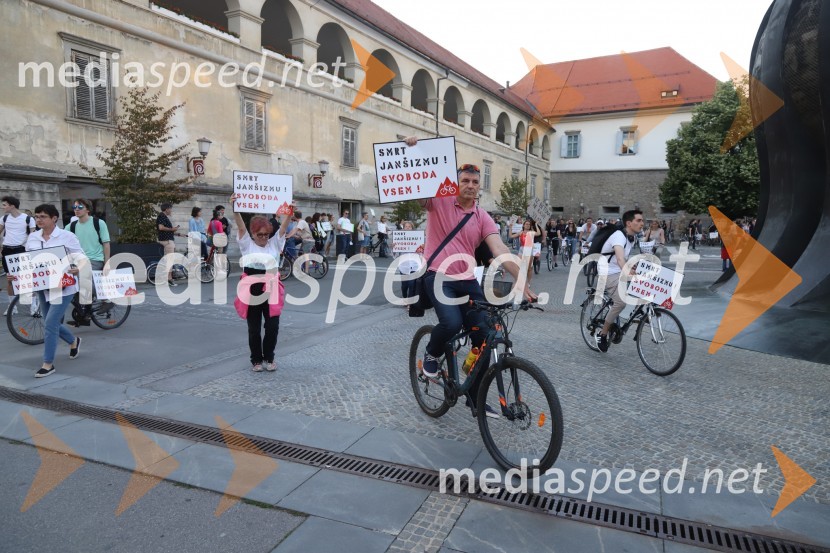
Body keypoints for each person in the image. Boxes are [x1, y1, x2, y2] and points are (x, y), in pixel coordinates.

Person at [405, 138, 536, 418]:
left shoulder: (482, 217)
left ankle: (471, 388)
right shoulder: (438, 201)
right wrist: (413, 151)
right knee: (451, 323)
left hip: (467, 280)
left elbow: (499, 249)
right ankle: (430, 354)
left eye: (475, 182)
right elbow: (416, 191)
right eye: (465, 180)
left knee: (487, 335)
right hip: (437, 274)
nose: (471, 185)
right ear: (456, 182)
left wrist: (522, 282)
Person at [230, 194, 289, 372]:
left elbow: (284, 228)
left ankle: (269, 357)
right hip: (252, 288)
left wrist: (289, 210)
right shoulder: (247, 244)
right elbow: (240, 227)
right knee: (254, 328)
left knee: (272, 326)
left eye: (266, 234)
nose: (263, 237)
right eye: (259, 234)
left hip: (270, 287)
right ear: (253, 234)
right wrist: (235, 208)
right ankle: (256, 360)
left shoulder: (274, 243)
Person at [26, 204, 86, 378]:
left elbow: (81, 257)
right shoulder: (33, 237)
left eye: (43, 216)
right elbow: (27, 260)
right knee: (49, 321)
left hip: (63, 286)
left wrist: (78, 267)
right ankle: (73, 341)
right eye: (37, 216)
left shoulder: (67, 236)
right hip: (42, 286)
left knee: (50, 323)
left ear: (54, 218)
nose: (39, 220)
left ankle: (48, 363)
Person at [595, 209, 645, 353]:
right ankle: (602, 334)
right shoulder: (618, 236)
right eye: (639, 220)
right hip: (607, 272)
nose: (642, 223)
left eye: (642, 220)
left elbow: (624, 258)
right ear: (629, 223)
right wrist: (628, 271)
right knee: (621, 302)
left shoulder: (631, 237)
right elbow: (619, 259)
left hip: (617, 270)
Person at [67, 198, 111, 324]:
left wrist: (106, 263)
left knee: (84, 280)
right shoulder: (71, 226)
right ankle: (84, 314)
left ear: (87, 209)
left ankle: (107, 300)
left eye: (80, 207)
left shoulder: (98, 223)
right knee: (71, 284)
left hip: (95, 259)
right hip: (77, 260)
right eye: (74, 207)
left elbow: (106, 244)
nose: (76, 210)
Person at [1, 195, 37, 312]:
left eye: (5, 205)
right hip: (7, 250)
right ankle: (12, 307)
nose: (3, 207)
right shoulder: (4, 219)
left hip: (21, 250)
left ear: (12, 206)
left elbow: (33, 235)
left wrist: (28, 248)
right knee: (10, 278)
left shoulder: (28, 219)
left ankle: (33, 305)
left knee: (26, 278)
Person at [156, 203, 180, 286]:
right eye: (170, 208)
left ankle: (168, 277)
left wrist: (175, 232)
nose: (171, 210)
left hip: (168, 240)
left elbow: (166, 229)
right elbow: (161, 227)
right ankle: (169, 279)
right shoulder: (162, 216)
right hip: (167, 241)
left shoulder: (163, 216)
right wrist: (172, 229)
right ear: (166, 209)